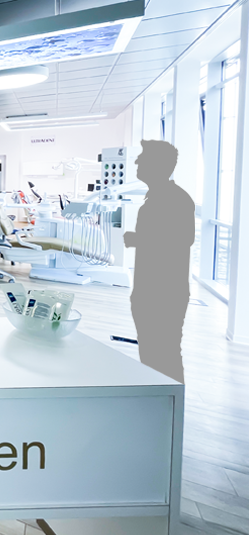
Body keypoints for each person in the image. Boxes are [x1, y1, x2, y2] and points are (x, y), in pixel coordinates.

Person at [124, 140, 194, 383]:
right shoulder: (156, 197)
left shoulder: (175, 199)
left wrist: (137, 239)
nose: (137, 161)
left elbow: (181, 240)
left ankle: (169, 401)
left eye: (142, 158)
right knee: (151, 351)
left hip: (164, 293)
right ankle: (155, 396)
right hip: (149, 290)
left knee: (165, 354)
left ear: (157, 165)